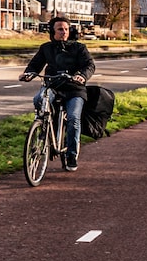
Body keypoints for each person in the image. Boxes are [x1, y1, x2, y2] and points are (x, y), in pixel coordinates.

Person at [19, 17, 95, 171]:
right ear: (52, 31)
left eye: (66, 29)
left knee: (73, 118)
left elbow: (89, 65)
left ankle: (71, 155)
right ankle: (44, 126)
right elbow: (35, 64)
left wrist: (82, 75)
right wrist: (29, 73)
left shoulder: (79, 48)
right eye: (60, 29)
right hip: (53, 86)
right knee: (38, 99)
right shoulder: (46, 48)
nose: (64, 32)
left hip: (74, 89)